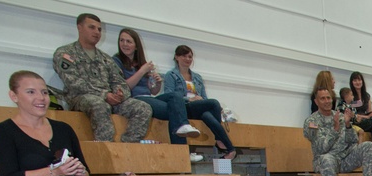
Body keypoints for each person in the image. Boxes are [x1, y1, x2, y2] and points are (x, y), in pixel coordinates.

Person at [52, 13, 152, 143]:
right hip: (81, 99)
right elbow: (73, 82)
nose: (97, 32)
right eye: (92, 27)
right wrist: (105, 95)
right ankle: (105, 148)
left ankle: (127, 146)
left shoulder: (105, 58)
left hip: (110, 99)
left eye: (99, 29)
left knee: (143, 107)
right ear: (79, 28)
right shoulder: (65, 53)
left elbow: (119, 81)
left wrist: (119, 94)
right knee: (99, 104)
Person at [112, 29, 202, 162]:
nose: (124, 44)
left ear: (136, 45)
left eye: (128, 41)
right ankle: (182, 151)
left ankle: (183, 135)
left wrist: (156, 83)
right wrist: (142, 71)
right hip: (134, 99)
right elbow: (124, 87)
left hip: (149, 97)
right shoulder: (116, 61)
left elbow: (153, 91)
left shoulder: (141, 63)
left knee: (175, 96)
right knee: (174, 112)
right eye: (122, 40)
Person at [303, 86, 372, 176]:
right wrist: (335, 129)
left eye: (328, 98)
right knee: (325, 158)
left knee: (368, 146)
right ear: (316, 102)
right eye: (322, 98)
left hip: (346, 158)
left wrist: (348, 125)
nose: (326, 101)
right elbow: (321, 148)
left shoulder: (341, 116)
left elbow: (353, 141)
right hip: (329, 161)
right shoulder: (311, 122)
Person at [162, 45, 236, 160]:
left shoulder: (197, 77)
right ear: (177, 57)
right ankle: (221, 140)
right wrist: (189, 99)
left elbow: (204, 97)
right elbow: (169, 96)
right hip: (183, 107)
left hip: (198, 107)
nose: (187, 59)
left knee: (208, 114)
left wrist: (201, 100)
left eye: (190, 56)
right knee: (214, 103)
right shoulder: (171, 75)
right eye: (184, 56)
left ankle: (229, 149)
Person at [347, 71, 372, 140]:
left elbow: (369, 112)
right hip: (357, 120)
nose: (357, 82)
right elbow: (352, 114)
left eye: (359, 80)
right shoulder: (350, 96)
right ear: (351, 82)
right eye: (355, 80)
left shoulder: (366, 96)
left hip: (366, 119)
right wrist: (368, 116)